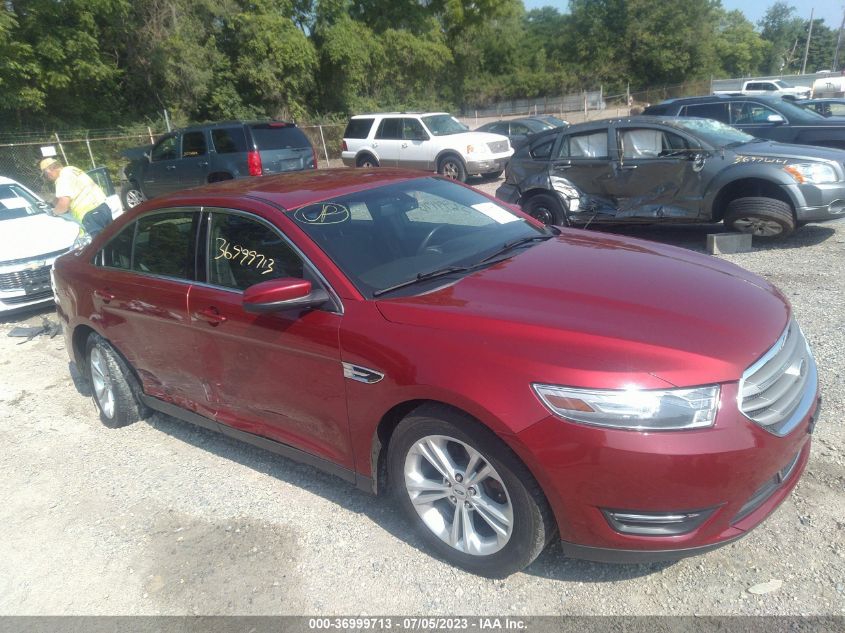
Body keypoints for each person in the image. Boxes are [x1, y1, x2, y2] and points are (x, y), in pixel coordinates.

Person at [39, 157, 113, 236]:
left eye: (46, 175)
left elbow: (64, 205)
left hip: (90, 215)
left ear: (50, 170)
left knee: (98, 245)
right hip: (103, 208)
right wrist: (54, 201)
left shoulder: (61, 178)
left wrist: (54, 212)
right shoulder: (72, 169)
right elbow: (74, 191)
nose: (48, 178)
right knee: (112, 237)